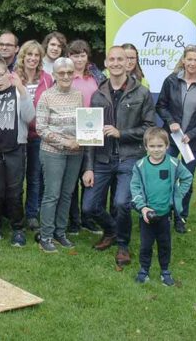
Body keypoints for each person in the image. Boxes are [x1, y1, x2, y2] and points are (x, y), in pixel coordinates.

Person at [82, 44, 156, 268]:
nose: (115, 63)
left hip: (129, 157)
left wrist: (121, 133)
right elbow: (90, 136)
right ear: (105, 63)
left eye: (120, 59)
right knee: (89, 207)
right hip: (102, 159)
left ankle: (123, 244)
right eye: (111, 59)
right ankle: (111, 230)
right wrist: (88, 167)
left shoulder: (141, 93)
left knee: (122, 202)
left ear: (128, 63)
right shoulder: (97, 94)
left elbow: (150, 128)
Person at [156, 45, 196, 233]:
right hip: (171, 139)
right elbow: (161, 105)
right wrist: (171, 121)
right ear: (183, 60)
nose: (192, 63)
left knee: (186, 180)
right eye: (189, 59)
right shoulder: (171, 80)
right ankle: (163, 213)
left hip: (193, 142)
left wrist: (192, 134)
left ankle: (181, 216)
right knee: (165, 177)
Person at [130, 128, 193, 286]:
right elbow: (135, 188)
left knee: (164, 244)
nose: (156, 150)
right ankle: (144, 270)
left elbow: (187, 177)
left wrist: (177, 196)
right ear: (146, 147)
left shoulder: (173, 163)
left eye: (160, 146)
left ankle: (165, 271)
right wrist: (142, 207)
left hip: (165, 215)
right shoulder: (140, 166)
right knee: (146, 245)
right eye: (152, 146)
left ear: (167, 146)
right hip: (146, 216)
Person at [0, 60, 35, 246]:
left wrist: (21, 89)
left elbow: (29, 117)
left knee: (14, 191)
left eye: (0, 75)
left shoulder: (18, 93)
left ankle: (18, 229)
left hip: (15, 148)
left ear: (8, 73)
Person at [35, 57, 84, 253]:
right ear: (54, 75)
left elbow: (84, 122)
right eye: (61, 73)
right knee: (52, 194)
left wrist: (82, 139)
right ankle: (46, 235)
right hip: (53, 152)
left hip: (76, 152)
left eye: (69, 72)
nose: (66, 76)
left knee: (67, 194)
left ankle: (60, 232)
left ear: (74, 74)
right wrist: (65, 142)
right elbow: (41, 128)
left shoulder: (79, 95)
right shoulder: (46, 96)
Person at [67, 39, 106, 234]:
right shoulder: (65, 76)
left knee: (90, 173)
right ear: (69, 57)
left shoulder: (96, 77)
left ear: (87, 57)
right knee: (72, 176)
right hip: (71, 129)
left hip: (92, 128)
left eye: (82, 55)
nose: (79, 59)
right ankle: (73, 220)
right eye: (75, 55)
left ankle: (87, 218)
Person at [15, 40, 54, 231]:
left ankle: (31, 214)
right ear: (23, 57)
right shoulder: (13, 77)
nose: (32, 58)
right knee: (16, 176)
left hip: (39, 135)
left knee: (35, 176)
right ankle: (14, 213)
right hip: (17, 135)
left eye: (36, 55)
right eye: (29, 54)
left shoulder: (47, 79)